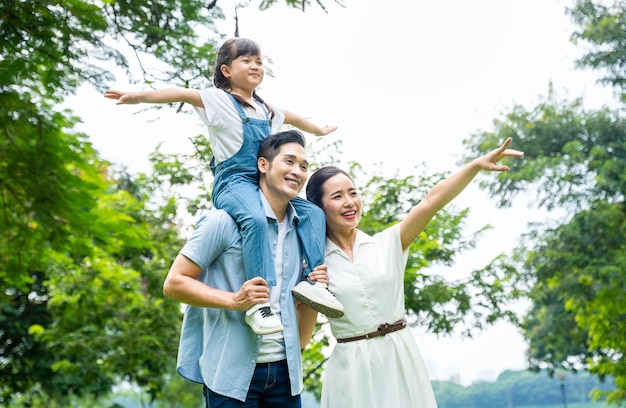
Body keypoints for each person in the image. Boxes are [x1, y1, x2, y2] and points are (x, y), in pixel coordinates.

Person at [105, 37, 344, 336]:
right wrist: (138, 96)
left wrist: (317, 129)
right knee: (256, 218)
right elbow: (179, 93)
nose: (255, 65)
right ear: (227, 70)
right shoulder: (218, 100)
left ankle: (315, 283)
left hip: (263, 183)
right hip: (233, 183)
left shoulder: (265, 108)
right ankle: (260, 304)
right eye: (247, 60)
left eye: (259, 61)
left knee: (312, 213)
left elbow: (292, 116)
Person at [305, 137, 524, 407]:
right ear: (318, 206)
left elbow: (430, 202)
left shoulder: (387, 243)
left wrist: (475, 166)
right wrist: (312, 288)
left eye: (353, 192)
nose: (349, 202)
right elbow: (303, 332)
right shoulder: (314, 264)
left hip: (400, 357)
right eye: (337, 196)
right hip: (351, 370)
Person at [163, 130, 326, 406]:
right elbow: (174, 283)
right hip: (231, 375)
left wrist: (316, 287)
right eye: (288, 161)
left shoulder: (303, 230)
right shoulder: (222, 223)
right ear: (263, 165)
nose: (297, 171)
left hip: (287, 375)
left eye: (303, 166)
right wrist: (234, 300)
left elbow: (299, 316)